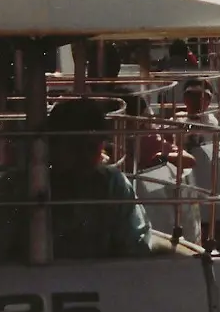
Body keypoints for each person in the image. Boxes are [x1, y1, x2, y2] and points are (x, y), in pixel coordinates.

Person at [45, 98, 153, 259]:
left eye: (91, 147)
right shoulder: (25, 187)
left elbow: (136, 245)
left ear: (101, 147)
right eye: (74, 147)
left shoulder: (114, 184)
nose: (83, 156)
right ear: (52, 146)